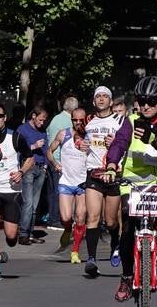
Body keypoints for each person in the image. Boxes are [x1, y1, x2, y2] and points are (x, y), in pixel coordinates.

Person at [107, 76, 157, 302]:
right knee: (127, 222)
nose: (146, 106)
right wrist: (112, 165)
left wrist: (153, 139)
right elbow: (119, 144)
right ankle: (126, 275)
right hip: (135, 182)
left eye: (151, 101)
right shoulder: (130, 120)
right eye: (142, 101)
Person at [0, 101, 28, 281]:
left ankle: (11, 238)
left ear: (5, 118)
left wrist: (21, 172)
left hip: (11, 190)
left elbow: (30, 158)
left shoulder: (15, 136)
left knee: (10, 236)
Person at [83, 85, 125, 276]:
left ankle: (115, 244)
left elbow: (127, 143)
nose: (101, 99)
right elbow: (77, 134)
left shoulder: (120, 120)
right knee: (92, 217)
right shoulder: (88, 121)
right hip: (94, 173)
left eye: (104, 96)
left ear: (110, 101)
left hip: (114, 173)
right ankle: (91, 259)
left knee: (110, 221)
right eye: (97, 96)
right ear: (94, 101)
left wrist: (115, 143)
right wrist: (79, 142)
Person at [48, 107, 90, 263]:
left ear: (86, 119)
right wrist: (55, 163)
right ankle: (67, 228)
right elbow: (49, 151)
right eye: (75, 120)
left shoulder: (90, 136)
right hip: (66, 181)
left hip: (83, 183)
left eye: (81, 120)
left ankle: (75, 251)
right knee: (66, 217)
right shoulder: (63, 134)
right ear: (71, 120)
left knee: (80, 218)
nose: (78, 123)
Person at [14, 103, 50, 245]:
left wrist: (46, 165)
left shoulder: (43, 131)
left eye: (44, 120)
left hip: (41, 168)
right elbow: (17, 149)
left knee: (35, 204)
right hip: (28, 167)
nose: (42, 122)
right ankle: (23, 234)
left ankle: (29, 233)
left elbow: (46, 149)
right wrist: (34, 146)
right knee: (28, 203)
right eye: (40, 119)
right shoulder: (22, 130)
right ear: (33, 116)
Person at [44, 96, 78, 238]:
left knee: (53, 191)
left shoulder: (55, 119)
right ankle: (56, 219)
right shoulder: (67, 121)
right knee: (61, 192)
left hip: (53, 159)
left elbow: (47, 135)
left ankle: (54, 218)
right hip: (60, 161)